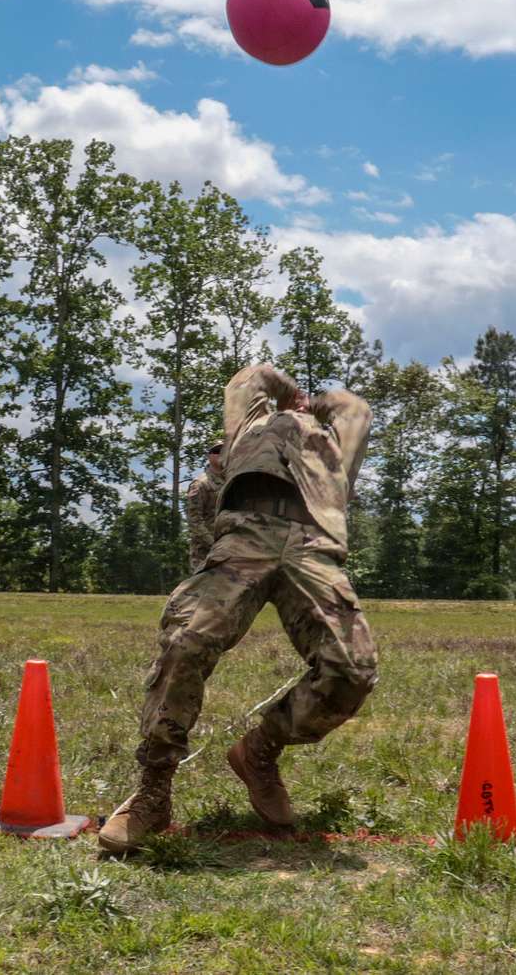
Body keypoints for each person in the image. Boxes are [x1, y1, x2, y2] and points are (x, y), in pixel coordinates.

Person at [99, 363, 377, 855]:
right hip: (245, 537)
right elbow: (251, 377)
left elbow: (355, 408)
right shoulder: (250, 424)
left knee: (352, 669)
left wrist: (313, 407)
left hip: (315, 545)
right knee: (186, 642)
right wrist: (288, 395)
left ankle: (259, 753)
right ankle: (153, 792)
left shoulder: (333, 443)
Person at [184, 441, 225, 573]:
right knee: (201, 591)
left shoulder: (233, 481)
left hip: (229, 548)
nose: (221, 454)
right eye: (216, 451)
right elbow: (194, 521)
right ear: (209, 456)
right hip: (204, 552)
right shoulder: (200, 484)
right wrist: (213, 543)